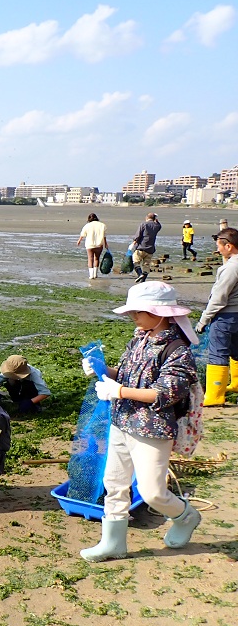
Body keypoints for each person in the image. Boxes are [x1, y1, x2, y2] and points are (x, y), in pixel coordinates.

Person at [78, 282, 201, 562]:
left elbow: (166, 392)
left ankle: (186, 515)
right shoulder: (139, 338)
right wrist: (102, 369)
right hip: (122, 421)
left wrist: (118, 391)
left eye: (138, 311)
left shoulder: (176, 350)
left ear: (160, 313)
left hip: (153, 428)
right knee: (114, 483)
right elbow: (124, 372)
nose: (133, 317)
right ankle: (113, 543)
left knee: (152, 492)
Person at [195, 227, 238, 405]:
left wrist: (203, 320)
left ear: (228, 246)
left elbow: (219, 298)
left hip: (226, 317)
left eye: (219, 246)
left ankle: (214, 397)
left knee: (218, 354)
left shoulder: (231, 268)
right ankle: (235, 384)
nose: (218, 250)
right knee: (236, 351)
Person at [130, 212, 161, 284]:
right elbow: (159, 225)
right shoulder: (157, 226)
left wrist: (133, 241)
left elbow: (137, 236)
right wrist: (156, 219)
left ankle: (140, 274)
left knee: (135, 262)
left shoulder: (143, 224)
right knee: (146, 265)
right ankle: (143, 280)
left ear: (146, 217)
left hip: (141, 247)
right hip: (150, 249)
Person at [76, 213, 108, 279]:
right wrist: (106, 244)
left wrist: (79, 241)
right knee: (96, 258)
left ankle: (91, 275)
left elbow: (82, 235)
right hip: (99, 244)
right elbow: (104, 236)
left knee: (90, 259)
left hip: (89, 244)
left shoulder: (87, 226)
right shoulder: (102, 225)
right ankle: (95, 274)